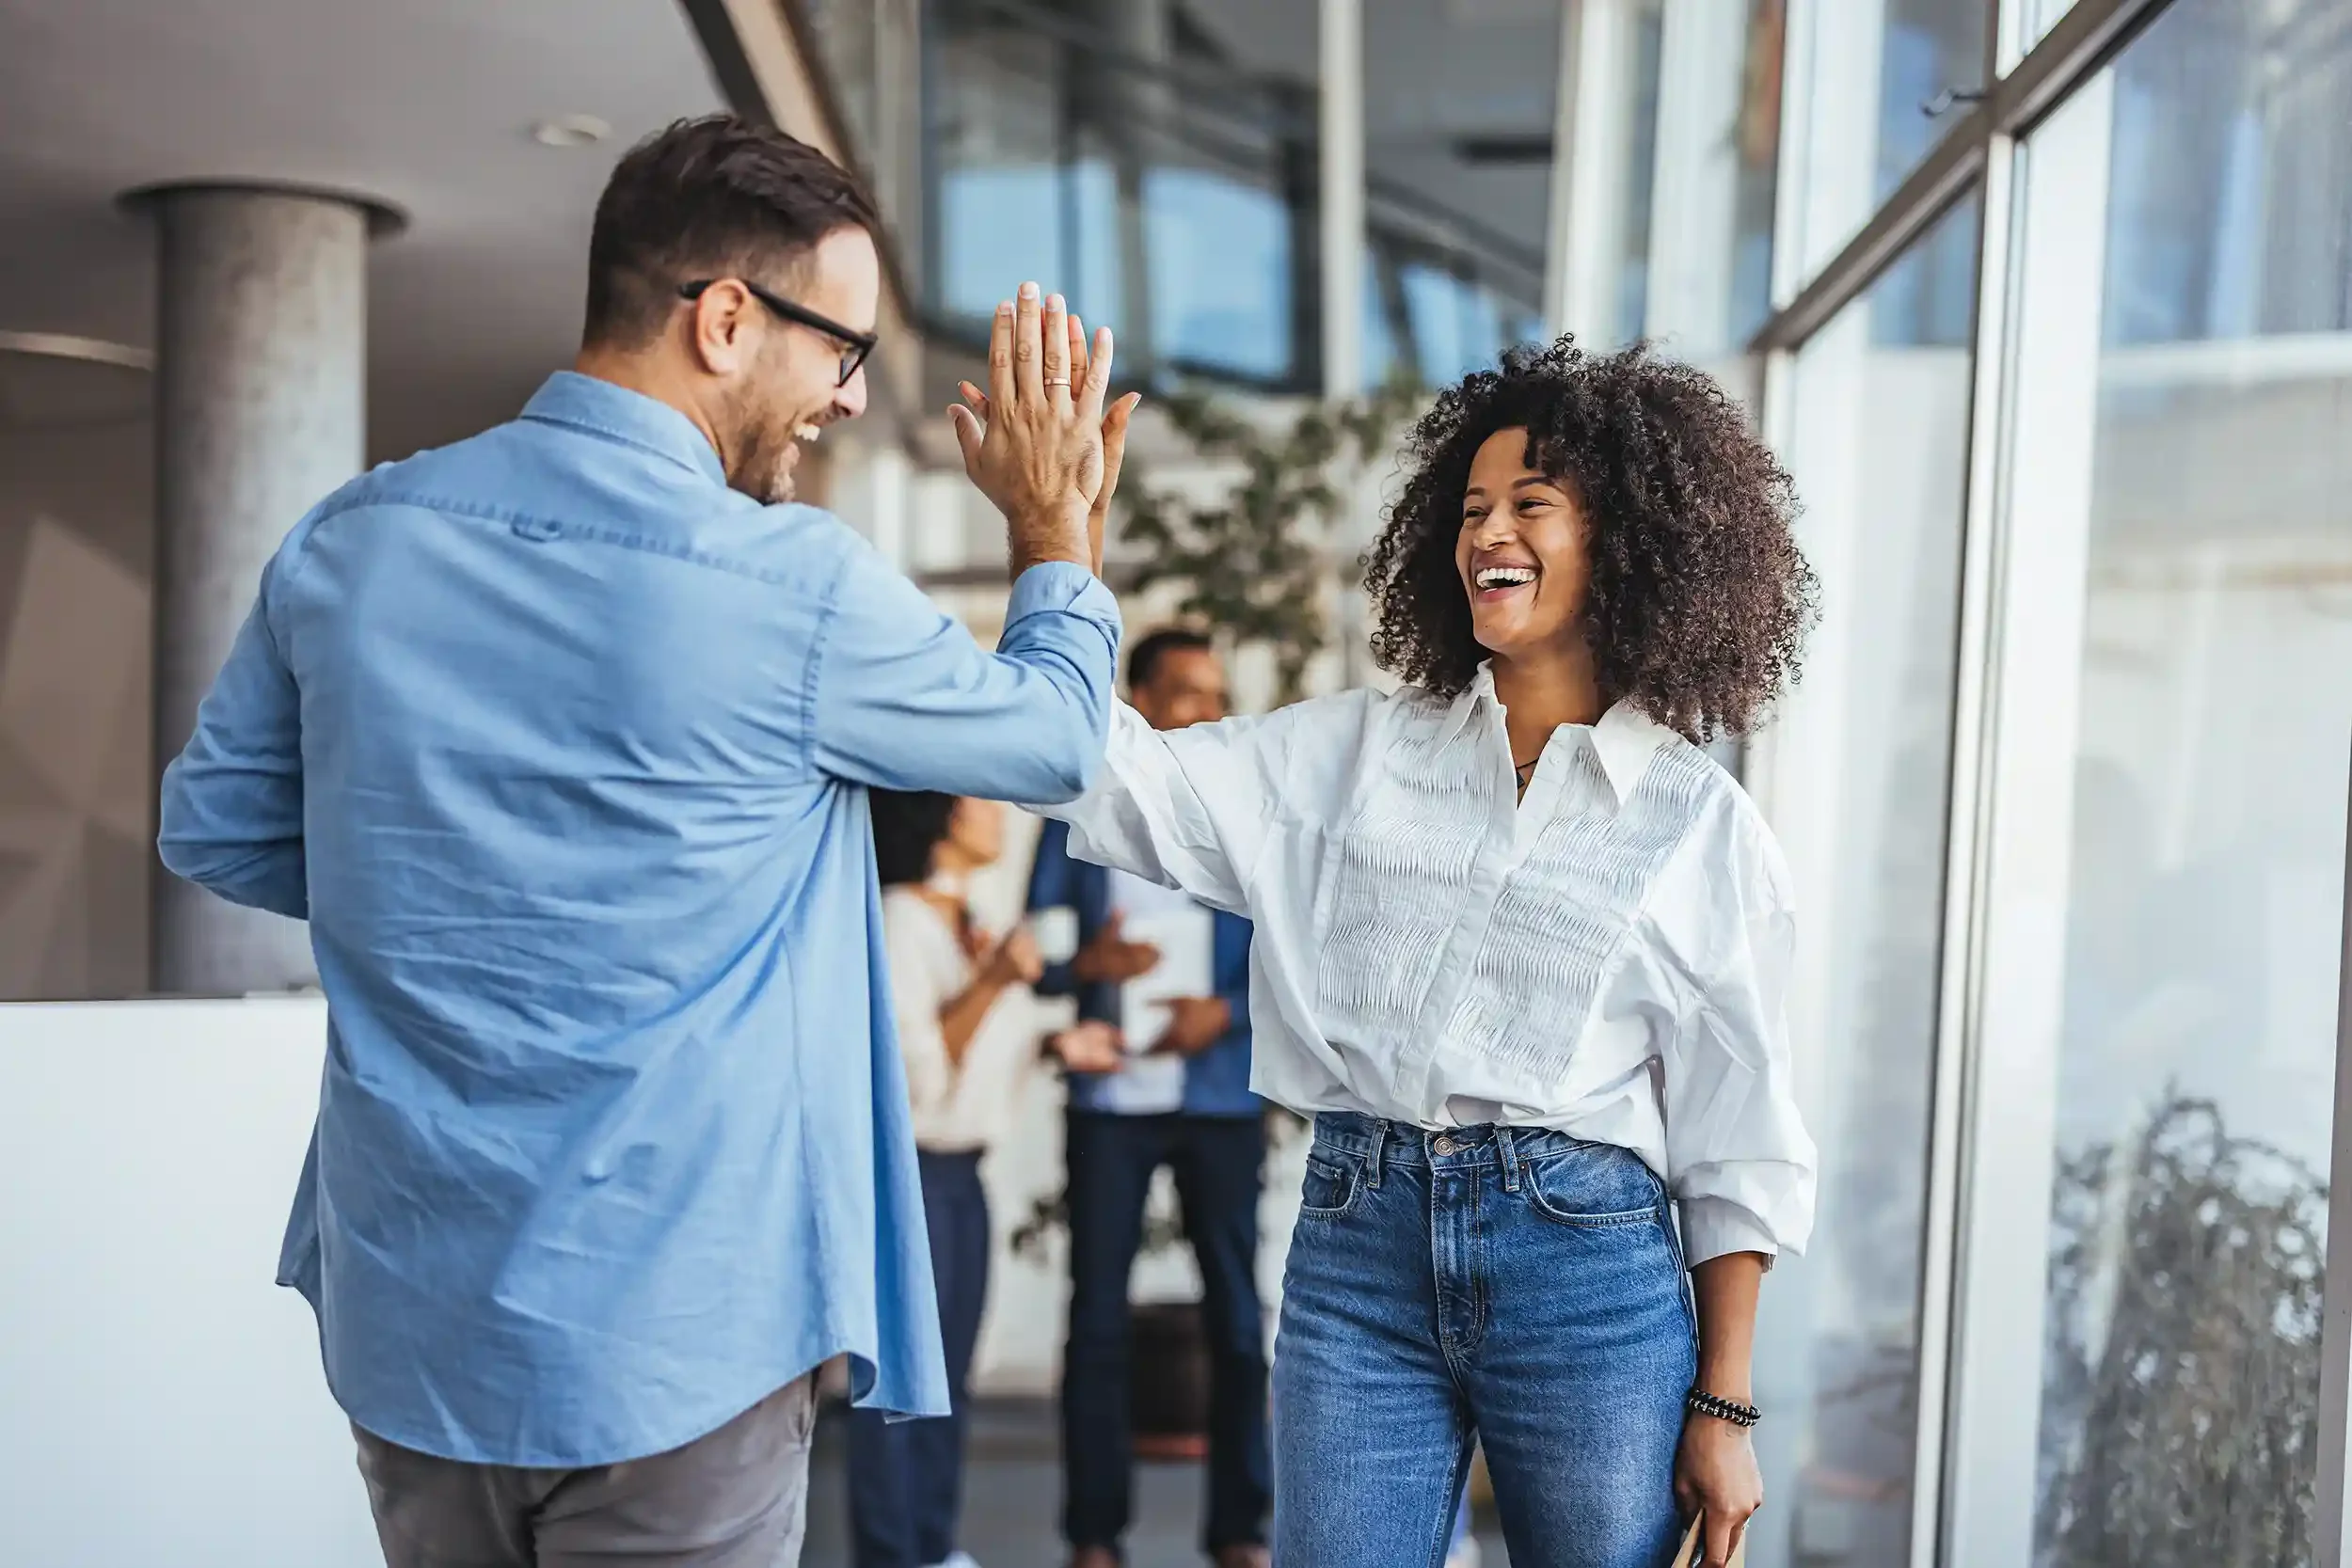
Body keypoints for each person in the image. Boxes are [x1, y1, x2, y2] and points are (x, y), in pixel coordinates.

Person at [156, 113, 1136, 1568]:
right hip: (681, 1326)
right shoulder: (788, 585)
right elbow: (1055, 742)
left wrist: (450, 865)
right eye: (841, 351)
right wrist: (1057, 534)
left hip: (415, 1320)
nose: (849, 400)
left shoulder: (351, 538)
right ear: (727, 318)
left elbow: (214, 826)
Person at [1037, 338, 1820, 1568]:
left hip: (1590, 1272)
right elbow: (1102, 775)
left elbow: (1739, 1134)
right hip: (1359, 1248)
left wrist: (1724, 1407)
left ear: (1629, 539)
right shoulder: (1347, 757)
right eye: (1469, 507)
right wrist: (1060, 549)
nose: (1485, 532)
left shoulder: (1702, 827)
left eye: (1530, 503)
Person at [1025, 629, 1270, 1568]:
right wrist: (1080, 962)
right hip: (1106, 1104)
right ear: (1139, 699)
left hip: (1217, 1102)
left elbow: (1293, 954)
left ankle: (1240, 1529)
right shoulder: (1079, 812)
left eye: (1215, 693)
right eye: (1184, 692)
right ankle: (1093, 1533)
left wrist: (1227, 1010)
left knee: (1238, 1323)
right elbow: (1037, 949)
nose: (1205, 710)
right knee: (1095, 1321)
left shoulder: (1244, 818)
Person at [849, 789, 1126, 1568]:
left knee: (946, 1381)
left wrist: (1056, 1044)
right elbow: (908, 1075)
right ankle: (892, 1554)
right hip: (911, 1182)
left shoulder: (966, 919)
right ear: (938, 815)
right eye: (978, 798)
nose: (998, 809)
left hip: (960, 1180)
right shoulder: (902, 919)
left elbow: (978, 1054)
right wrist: (996, 981)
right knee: (898, 1390)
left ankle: (933, 1547)